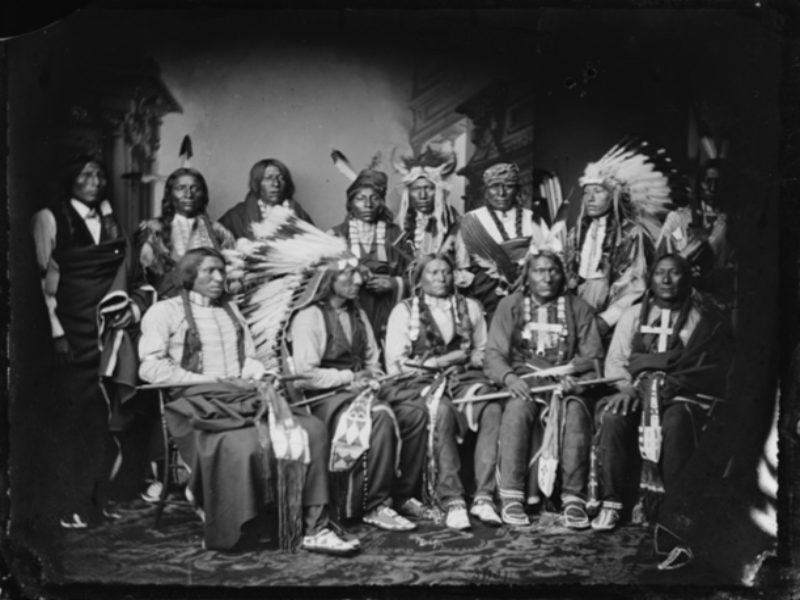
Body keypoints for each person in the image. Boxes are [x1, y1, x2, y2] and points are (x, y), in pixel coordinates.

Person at [138, 248, 358, 554]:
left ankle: (314, 526)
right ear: (189, 275)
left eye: (222, 270)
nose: (219, 277)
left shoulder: (231, 310)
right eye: (210, 271)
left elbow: (249, 360)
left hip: (244, 397)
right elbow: (150, 369)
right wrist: (215, 381)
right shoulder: (164, 312)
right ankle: (243, 524)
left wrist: (261, 374)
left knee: (312, 429)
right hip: (196, 404)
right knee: (243, 445)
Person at [30, 155, 154, 528]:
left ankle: (94, 502)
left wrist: (130, 310)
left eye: (100, 174)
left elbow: (131, 276)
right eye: (86, 174)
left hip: (107, 336)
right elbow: (41, 283)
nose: (96, 181)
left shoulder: (112, 223)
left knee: (102, 420)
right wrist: (56, 334)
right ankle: (68, 504)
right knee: (72, 420)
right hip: (70, 336)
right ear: (70, 179)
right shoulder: (48, 219)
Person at [592, 254, 734, 532]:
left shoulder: (701, 317)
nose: (666, 280)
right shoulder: (633, 314)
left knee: (676, 421)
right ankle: (612, 503)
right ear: (651, 279)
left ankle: (674, 508)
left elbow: (708, 367)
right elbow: (616, 361)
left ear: (687, 278)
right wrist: (627, 388)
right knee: (614, 416)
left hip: (681, 392)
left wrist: (672, 385)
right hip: (637, 389)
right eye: (659, 273)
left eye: (674, 273)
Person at [484, 226, 604, 528]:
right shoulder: (510, 305)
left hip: (566, 386)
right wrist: (510, 378)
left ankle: (573, 500)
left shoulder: (579, 308)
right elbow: (494, 354)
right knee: (517, 407)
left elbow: (593, 359)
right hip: (524, 381)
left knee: (576, 411)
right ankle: (511, 497)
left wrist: (577, 380)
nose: (547, 278)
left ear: (563, 275)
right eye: (539, 271)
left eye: (553, 271)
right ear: (527, 275)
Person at [289, 262, 420, 532]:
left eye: (359, 273)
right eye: (349, 274)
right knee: (380, 416)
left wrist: (373, 379)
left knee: (414, 410)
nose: (359, 280)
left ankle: (402, 494)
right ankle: (374, 504)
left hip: (361, 389)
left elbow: (372, 360)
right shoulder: (310, 316)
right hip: (324, 397)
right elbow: (304, 375)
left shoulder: (357, 313)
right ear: (327, 279)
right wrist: (350, 378)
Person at [383, 253, 503, 529]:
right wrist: (436, 363)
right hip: (418, 380)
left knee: (491, 407)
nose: (441, 278)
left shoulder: (470, 307)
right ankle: (452, 498)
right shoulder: (405, 310)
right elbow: (396, 363)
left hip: (462, 377)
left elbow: (482, 350)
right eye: (433, 272)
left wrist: (466, 360)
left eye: (446, 272)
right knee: (442, 411)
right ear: (419, 279)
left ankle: (484, 496)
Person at [565, 141, 677, 338]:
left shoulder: (631, 234)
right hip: (576, 315)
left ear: (613, 196)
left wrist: (606, 320)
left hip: (614, 320)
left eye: (598, 191)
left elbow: (635, 284)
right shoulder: (575, 234)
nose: (590, 198)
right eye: (586, 192)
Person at [328, 167, 409, 343]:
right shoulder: (335, 236)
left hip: (387, 308)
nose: (368, 204)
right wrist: (353, 268)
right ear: (350, 203)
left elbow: (415, 274)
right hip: (351, 307)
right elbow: (323, 280)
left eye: (375, 198)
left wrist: (393, 283)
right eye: (360, 198)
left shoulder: (397, 235)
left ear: (382, 202)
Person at [458, 162, 545, 322]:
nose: (501, 193)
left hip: (528, 294)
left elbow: (549, 257)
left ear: (517, 190)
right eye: (494, 186)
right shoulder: (470, 220)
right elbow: (462, 266)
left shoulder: (532, 218)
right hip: (487, 299)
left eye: (509, 186)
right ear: (486, 192)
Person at [136, 167, 235, 299]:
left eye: (195, 188)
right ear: (169, 194)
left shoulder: (217, 231)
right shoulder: (152, 229)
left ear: (203, 194)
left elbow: (231, 271)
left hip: (210, 302)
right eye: (180, 188)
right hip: (165, 301)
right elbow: (141, 275)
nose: (188, 194)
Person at [656, 158, 736, 309]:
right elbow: (659, 261)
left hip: (717, 304)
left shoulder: (732, 223)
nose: (712, 188)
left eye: (718, 182)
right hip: (678, 302)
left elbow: (735, 270)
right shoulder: (677, 219)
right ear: (698, 183)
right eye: (708, 181)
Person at [391, 145, 473, 288]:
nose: (422, 195)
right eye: (416, 189)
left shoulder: (456, 225)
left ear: (439, 190)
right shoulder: (400, 227)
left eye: (428, 188)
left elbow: (464, 272)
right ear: (409, 193)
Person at [218, 158, 314, 240]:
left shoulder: (300, 215)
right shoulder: (236, 215)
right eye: (268, 178)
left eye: (281, 178)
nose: (276, 184)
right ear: (257, 183)